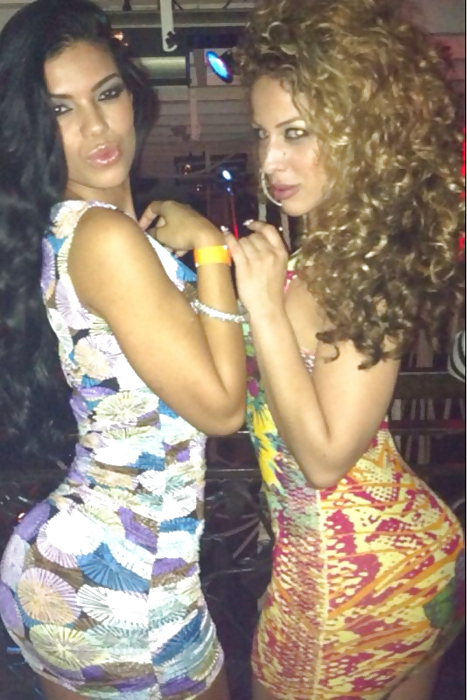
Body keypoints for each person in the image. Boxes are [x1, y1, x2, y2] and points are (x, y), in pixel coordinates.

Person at [0, 0, 246, 698]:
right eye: (61, 109)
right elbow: (221, 408)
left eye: (106, 94)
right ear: (32, 125)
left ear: (132, 96)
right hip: (129, 584)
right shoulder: (106, 238)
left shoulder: (64, 229)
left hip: (72, 569)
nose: (96, 126)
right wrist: (210, 248)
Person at [223, 0, 466, 698]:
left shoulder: (370, 265)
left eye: (296, 133)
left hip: (346, 584)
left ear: (361, 133)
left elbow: (326, 460)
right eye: (263, 133)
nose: (270, 161)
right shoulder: (324, 253)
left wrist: (262, 306)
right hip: (380, 558)